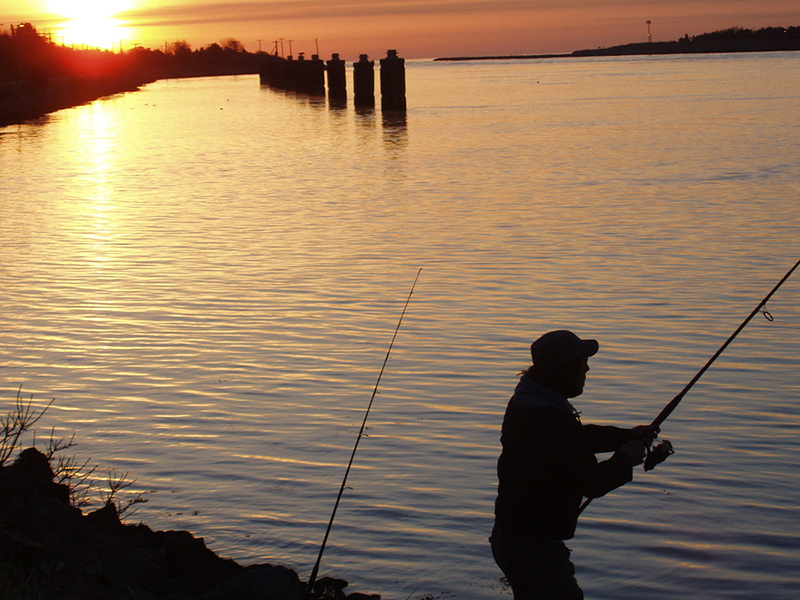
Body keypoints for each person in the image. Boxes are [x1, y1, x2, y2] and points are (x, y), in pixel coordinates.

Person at [490, 330, 658, 600]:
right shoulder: (548, 419)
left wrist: (628, 436)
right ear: (563, 370)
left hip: (519, 537)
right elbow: (592, 482)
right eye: (581, 363)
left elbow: (576, 439)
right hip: (531, 546)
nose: (587, 368)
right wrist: (626, 458)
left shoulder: (531, 403)